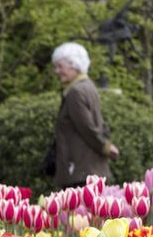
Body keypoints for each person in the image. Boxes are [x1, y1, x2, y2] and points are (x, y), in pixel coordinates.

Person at [51, 42, 119, 188]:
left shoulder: (75, 92)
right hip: (91, 169)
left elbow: (87, 128)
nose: (56, 71)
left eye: (60, 66)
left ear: (73, 65)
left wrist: (106, 147)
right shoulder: (88, 86)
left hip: (80, 171)